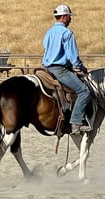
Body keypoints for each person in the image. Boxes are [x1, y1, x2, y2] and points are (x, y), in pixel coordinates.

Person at [42, 4, 91, 135]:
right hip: (60, 70)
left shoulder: (49, 32)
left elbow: (46, 47)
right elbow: (73, 57)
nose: (71, 19)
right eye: (70, 16)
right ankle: (76, 122)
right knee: (84, 91)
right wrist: (82, 67)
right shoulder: (67, 33)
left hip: (46, 69)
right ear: (64, 17)